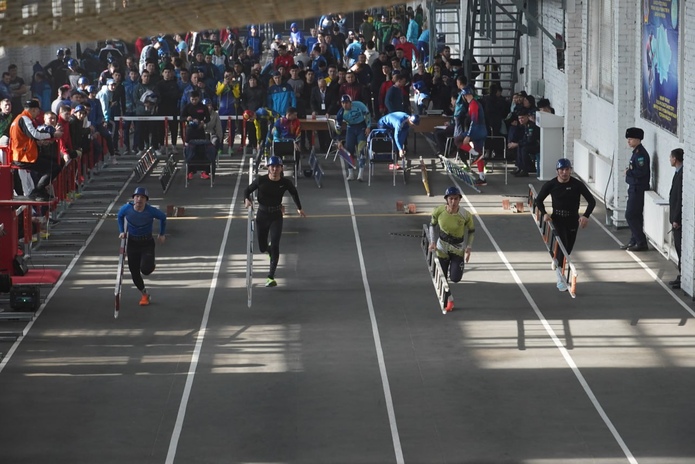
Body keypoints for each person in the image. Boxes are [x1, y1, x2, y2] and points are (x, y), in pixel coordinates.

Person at [534, 158, 596, 291]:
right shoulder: (551, 184)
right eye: (561, 170)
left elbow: (592, 201)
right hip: (557, 219)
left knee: (568, 249)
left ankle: (557, 260)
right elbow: (538, 200)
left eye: (567, 170)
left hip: (572, 219)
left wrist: (585, 216)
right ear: (557, 171)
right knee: (562, 247)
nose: (564, 172)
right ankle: (560, 277)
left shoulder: (577, 184)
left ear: (570, 170)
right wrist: (545, 213)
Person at [243, 156, 306, 287]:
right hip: (262, 215)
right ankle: (269, 249)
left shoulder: (285, 182)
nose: (275, 169)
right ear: (268, 168)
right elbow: (247, 190)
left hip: (276, 215)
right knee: (262, 247)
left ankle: (270, 276)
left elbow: (294, 193)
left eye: (278, 166)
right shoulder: (261, 181)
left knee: (276, 243)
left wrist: (299, 208)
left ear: (281, 168)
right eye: (272, 166)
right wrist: (246, 199)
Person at [428, 186, 475, 312]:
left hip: (457, 249)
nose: (453, 202)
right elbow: (432, 226)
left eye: (456, 199)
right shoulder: (438, 211)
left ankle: (454, 271)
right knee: (440, 276)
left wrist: (469, 247)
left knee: (455, 278)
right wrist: (432, 242)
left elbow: (471, 231)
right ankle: (449, 300)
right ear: (446, 200)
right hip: (442, 247)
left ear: (460, 199)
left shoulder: (465, 215)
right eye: (451, 199)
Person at [117, 187, 167, 306]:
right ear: (133, 198)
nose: (139, 199)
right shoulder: (126, 209)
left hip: (147, 243)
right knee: (134, 272)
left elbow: (163, 218)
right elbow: (119, 216)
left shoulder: (151, 211)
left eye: (142, 198)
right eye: (137, 197)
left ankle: (150, 265)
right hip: (133, 243)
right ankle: (144, 294)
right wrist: (121, 231)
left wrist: (162, 234)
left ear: (146, 200)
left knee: (145, 269)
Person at [10, 100, 64, 201]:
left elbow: (25, 137)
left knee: (56, 162)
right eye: (38, 111)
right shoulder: (24, 118)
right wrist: (52, 135)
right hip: (24, 156)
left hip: (24, 154)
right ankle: (37, 191)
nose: (38, 114)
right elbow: (35, 134)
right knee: (55, 167)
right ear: (34, 110)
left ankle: (40, 190)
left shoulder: (18, 119)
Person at [621, 127, 651, 252]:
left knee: (630, 215)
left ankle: (640, 242)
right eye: (628, 139)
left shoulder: (640, 155)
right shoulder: (636, 152)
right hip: (634, 187)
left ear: (638, 139)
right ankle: (634, 240)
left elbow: (641, 172)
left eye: (631, 139)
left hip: (638, 188)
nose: (628, 141)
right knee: (636, 216)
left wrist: (629, 172)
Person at [336, 94, 371, 181]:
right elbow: (338, 128)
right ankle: (350, 173)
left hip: (361, 128)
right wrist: (339, 140)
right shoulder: (340, 113)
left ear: (350, 102)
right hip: (350, 129)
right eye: (343, 103)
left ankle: (361, 174)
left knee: (361, 149)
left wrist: (368, 126)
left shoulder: (359, 105)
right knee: (349, 151)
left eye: (347, 103)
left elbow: (367, 114)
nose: (345, 105)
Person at [668, 148, 683, 289]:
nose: (669, 159)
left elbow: (679, 198)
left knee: (680, 247)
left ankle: (683, 275)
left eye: (670, 157)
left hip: (678, 220)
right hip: (675, 218)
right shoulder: (678, 173)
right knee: (678, 248)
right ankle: (682, 275)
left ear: (675, 159)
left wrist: (676, 219)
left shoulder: (682, 175)